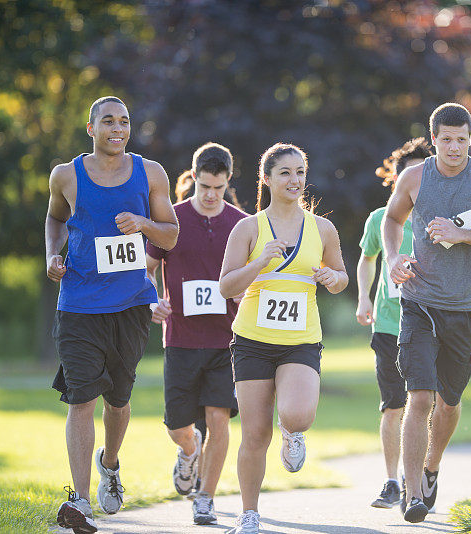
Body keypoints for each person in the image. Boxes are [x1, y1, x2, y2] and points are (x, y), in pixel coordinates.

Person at [45, 96, 179, 533]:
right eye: (108, 121)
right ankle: (80, 502)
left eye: (124, 121)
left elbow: (172, 235)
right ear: (91, 128)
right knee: (82, 397)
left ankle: (111, 463)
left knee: (118, 400)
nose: (118, 128)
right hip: (79, 303)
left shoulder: (150, 172)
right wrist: (52, 254)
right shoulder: (66, 175)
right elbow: (54, 219)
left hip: (130, 304)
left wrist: (143, 225)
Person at [383, 103, 471, 523]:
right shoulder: (414, 177)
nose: (454, 147)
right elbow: (391, 219)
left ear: (470, 139)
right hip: (419, 301)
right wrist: (393, 258)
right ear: (434, 139)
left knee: (449, 401)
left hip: (464, 306)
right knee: (419, 394)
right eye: (446, 140)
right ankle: (412, 492)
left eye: (462, 139)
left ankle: (431, 467)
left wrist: (461, 234)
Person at [218, 143, 348, 534]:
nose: (295, 180)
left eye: (300, 172)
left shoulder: (322, 228)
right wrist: (259, 263)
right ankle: (249, 514)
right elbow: (225, 286)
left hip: (300, 339)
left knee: (298, 414)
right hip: (253, 340)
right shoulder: (248, 227)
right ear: (268, 178)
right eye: (285, 173)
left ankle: (293, 434)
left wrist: (332, 278)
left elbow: (342, 277)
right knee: (255, 434)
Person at [145, 142, 248, 525]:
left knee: (219, 419)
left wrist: (242, 290)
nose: (210, 195)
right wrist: (151, 300)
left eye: (218, 188)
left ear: (227, 182)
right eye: (204, 186)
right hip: (181, 340)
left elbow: (255, 279)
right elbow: (147, 269)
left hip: (226, 341)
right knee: (177, 427)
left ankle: (205, 497)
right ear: (194, 178)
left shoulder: (241, 222)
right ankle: (189, 452)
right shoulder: (171, 219)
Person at [354, 138, 433, 509]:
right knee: (392, 405)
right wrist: (364, 297)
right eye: (406, 175)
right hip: (388, 323)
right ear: (396, 179)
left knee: (423, 403)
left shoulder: (436, 221)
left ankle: (415, 477)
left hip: (430, 322)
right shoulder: (377, 219)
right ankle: (391, 481)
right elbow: (367, 259)